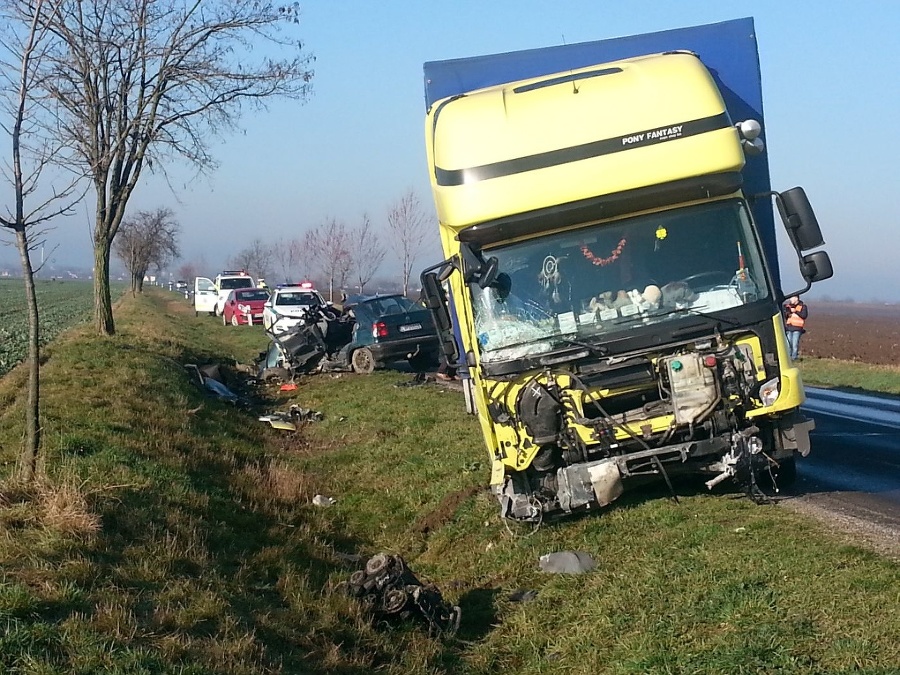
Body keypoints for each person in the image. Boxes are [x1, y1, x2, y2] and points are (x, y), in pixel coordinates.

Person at [783, 295, 808, 360]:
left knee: (794, 344)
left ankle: (794, 357)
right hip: (789, 328)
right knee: (788, 344)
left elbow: (804, 315)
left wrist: (795, 311)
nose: (790, 300)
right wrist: (787, 313)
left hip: (797, 328)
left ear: (796, 298)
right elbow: (785, 316)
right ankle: (788, 358)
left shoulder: (803, 306)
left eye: (792, 298)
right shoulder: (788, 307)